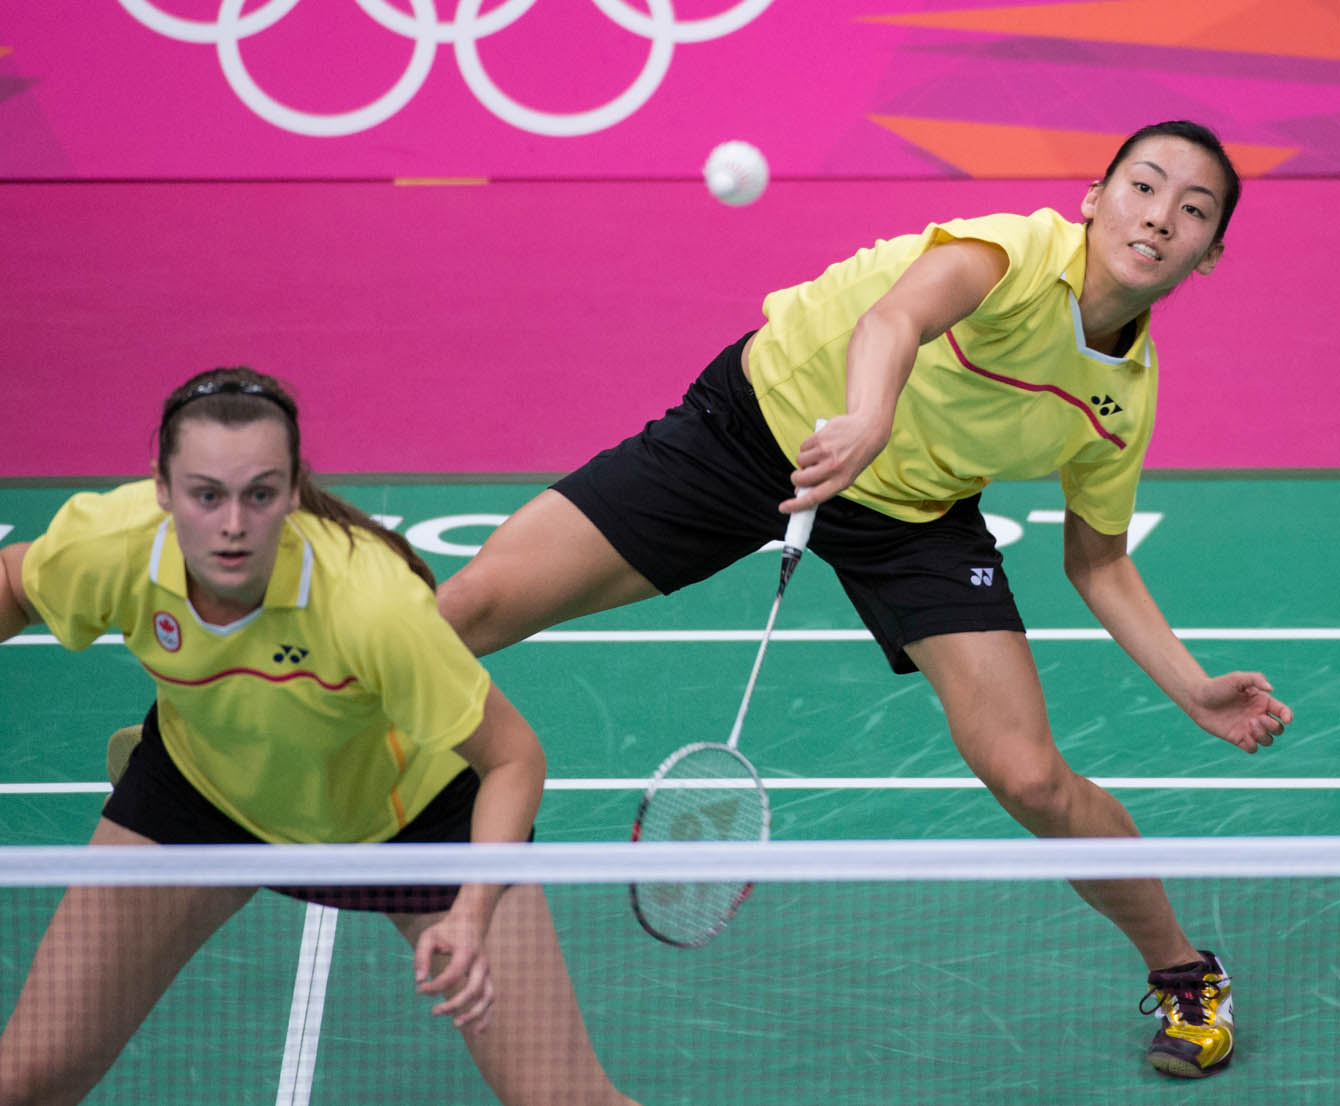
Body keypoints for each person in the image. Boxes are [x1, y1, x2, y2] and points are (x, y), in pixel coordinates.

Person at [434, 120, 1293, 1080]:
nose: (1159, 215)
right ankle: (303, 716)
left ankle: (1186, 974)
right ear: (1094, 199)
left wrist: (1189, 686)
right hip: (762, 428)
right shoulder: (1011, 252)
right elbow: (894, 318)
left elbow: (1097, 561)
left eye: (1192, 208)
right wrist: (869, 416)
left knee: (1030, 777)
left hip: (914, 514)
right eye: (1143, 186)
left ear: (1209, 254)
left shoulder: (1122, 398)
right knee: (469, 610)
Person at [0, 368, 640, 1106]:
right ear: (162, 489)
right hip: (203, 802)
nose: (233, 524)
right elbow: (17, 584)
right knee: (23, 1081)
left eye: (260, 494)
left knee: (565, 1101)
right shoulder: (115, 544)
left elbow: (514, 759)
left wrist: (471, 910)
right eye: (206, 494)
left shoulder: (369, 603)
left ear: (295, 488)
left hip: (414, 825)